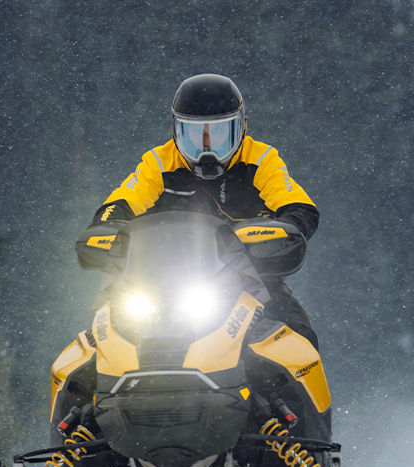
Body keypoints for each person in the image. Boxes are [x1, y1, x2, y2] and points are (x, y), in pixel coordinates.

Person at [90, 73, 321, 347]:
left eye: (219, 133)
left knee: (298, 339)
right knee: (97, 345)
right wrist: (106, 229)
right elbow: (119, 205)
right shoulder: (158, 164)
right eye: (194, 135)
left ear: (241, 128)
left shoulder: (261, 160)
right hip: (159, 281)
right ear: (176, 131)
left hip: (250, 279)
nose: (206, 147)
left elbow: (299, 208)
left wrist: (281, 233)